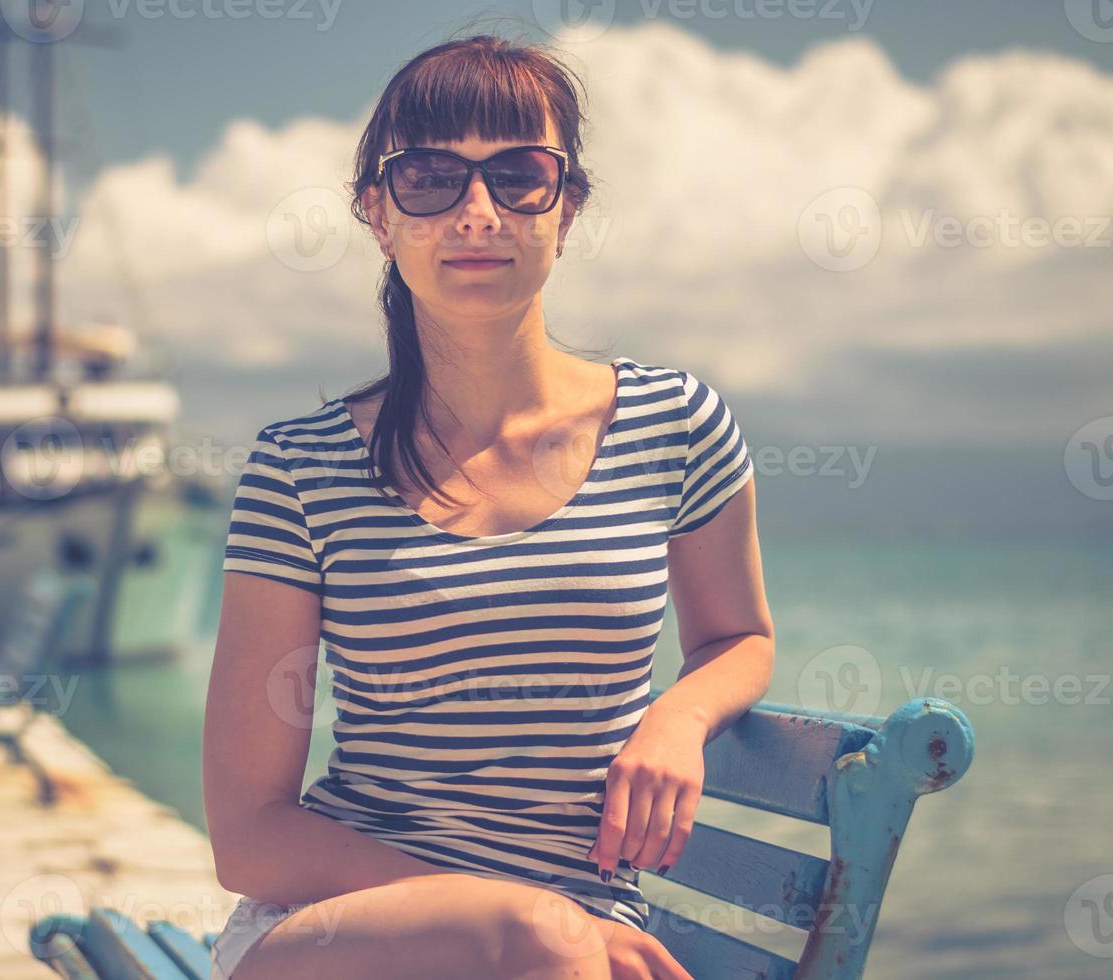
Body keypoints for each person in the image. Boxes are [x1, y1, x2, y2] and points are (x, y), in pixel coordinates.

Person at [202, 30, 775, 980]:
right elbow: (250, 836)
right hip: (345, 931)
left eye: (518, 176)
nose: (477, 212)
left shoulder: (676, 423)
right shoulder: (301, 470)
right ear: (376, 215)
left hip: (585, 940)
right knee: (539, 946)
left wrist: (678, 720)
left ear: (568, 207)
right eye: (429, 178)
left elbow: (738, 638)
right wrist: (523, 918)